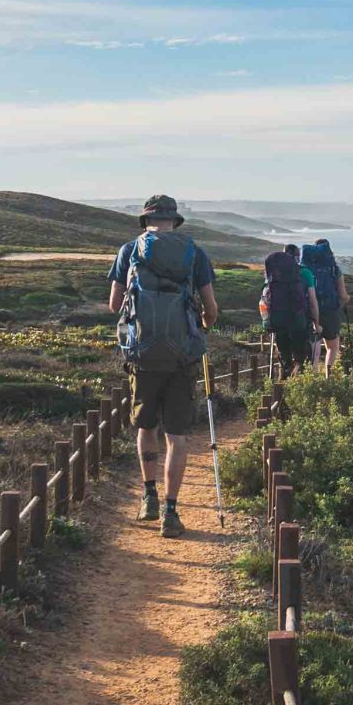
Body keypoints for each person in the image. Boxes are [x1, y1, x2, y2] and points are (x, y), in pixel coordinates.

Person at [108, 195, 219, 538]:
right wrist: (199, 326)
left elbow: (114, 305)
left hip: (143, 356)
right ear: (175, 221)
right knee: (177, 435)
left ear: (146, 221)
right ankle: (172, 511)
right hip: (182, 357)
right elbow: (212, 308)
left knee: (146, 426)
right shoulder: (194, 252)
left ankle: (149, 496)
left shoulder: (129, 250)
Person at [261, 246, 317, 380]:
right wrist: (317, 323)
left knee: (284, 356)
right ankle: (299, 384)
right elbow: (313, 302)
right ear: (297, 257)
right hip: (298, 320)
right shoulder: (304, 273)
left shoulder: (272, 275)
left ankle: (282, 388)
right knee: (300, 357)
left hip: (277, 321)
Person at [302, 239, 350, 374]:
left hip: (309, 312)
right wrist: (346, 300)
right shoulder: (334, 269)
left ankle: (313, 375)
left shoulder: (304, 269)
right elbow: (343, 294)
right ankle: (328, 376)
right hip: (330, 311)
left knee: (314, 346)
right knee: (332, 346)